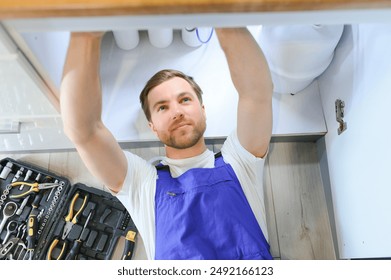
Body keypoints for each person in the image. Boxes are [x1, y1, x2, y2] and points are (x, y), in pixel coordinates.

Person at [60, 27, 273, 260]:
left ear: (202, 110)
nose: (177, 112)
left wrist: (223, 18)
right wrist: (85, 33)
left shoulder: (241, 161)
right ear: (152, 125)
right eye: (163, 107)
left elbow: (257, 92)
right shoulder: (142, 183)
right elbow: (83, 131)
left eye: (185, 99)